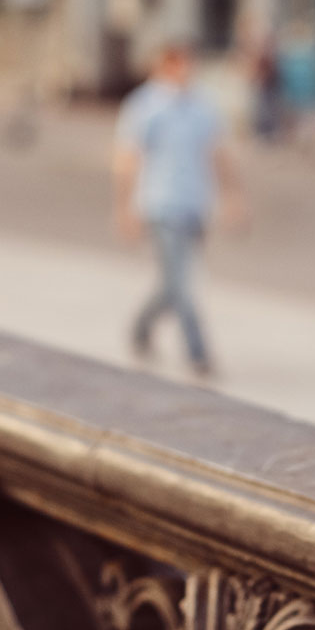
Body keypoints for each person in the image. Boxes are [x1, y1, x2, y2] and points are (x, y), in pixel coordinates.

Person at [114, 37, 242, 376]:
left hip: (194, 204)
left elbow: (218, 154)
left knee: (172, 284)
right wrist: (125, 209)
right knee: (183, 283)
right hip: (159, 204)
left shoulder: (202, 106)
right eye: (182, 63)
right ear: (166, 65)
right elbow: (128, 160)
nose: (189, 70)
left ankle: (141, 328)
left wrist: (232, 198)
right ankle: (198, 354)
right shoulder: (145, 106)